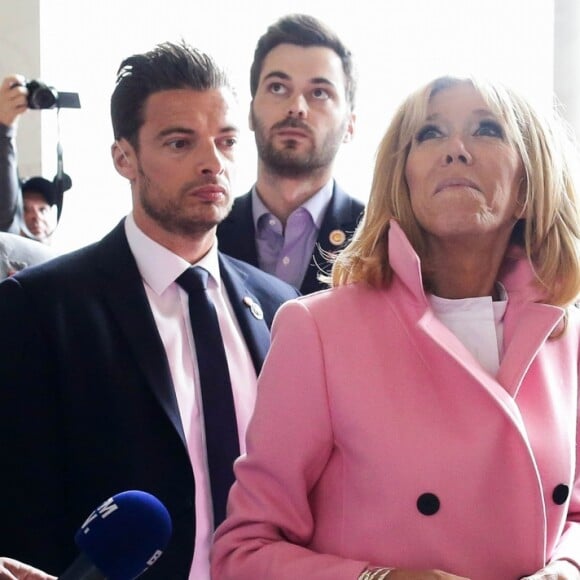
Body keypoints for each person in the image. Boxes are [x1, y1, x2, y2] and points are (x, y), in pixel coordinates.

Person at [211, 76, 580, 579]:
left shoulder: (566, 338)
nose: (455, 150)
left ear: (526, 188)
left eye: (486, 129)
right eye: (430, 134)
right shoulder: (318, 331)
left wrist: (566, 567)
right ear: (401, 178)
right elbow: (243, 553)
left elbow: (574, 513)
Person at [0, 42, 298, 580]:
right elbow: (19, 500)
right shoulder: (41, 309)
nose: (213, 162)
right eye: (180, 142)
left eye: (227, 141)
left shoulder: (283, 308)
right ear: (124, 158)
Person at [217, 14, 364, 294]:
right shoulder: (205, 230)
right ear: (249, 112)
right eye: (277, 87)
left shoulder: (381, 239)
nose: (296, 107)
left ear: (350, 126)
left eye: (319, 93)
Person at [0, 75, 60, 244]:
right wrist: (5, 129)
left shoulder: (70, 266)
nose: (36, 217)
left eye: (42, 210)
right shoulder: (8, 261)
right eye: (25, 209)